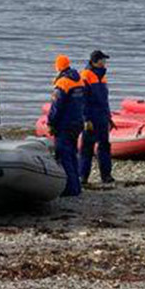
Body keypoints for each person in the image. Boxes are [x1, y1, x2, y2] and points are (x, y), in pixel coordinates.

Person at [46, 54, 85, 197]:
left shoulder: (62, 82)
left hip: (65, 124)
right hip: (77, 123)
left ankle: (70, 189)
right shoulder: (79, 79)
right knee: (73, 154)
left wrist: (50, 122)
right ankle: (77, 186)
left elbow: (56, 106)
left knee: (63, 156)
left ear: (58, 67)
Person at [78, 50, 113, 185]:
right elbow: (82, 100)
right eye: (102, 60)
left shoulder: (102, 76)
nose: (104, 62)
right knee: (87, 147)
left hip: (102, 116)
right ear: (95, 61)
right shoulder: (85, 75)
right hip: (91, 117)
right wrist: (86, 119)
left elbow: (104, 100)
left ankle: (106, 176)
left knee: (104, 146)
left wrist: (109, 117)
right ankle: (83, 176)